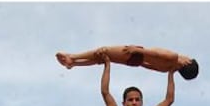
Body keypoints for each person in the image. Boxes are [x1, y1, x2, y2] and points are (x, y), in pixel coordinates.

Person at [56, 44, 199, 79]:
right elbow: (149, 67)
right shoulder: (168, 69)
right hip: (136, 62)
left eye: (189, 58)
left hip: (137, 53)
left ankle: (72, 57)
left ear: (187, 63)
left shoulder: (173, 57)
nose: (187, 56)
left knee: (104, 50)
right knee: (103, 58)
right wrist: (141, 62)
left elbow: (155, 53)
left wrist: (137, 50)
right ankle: (74, 63)